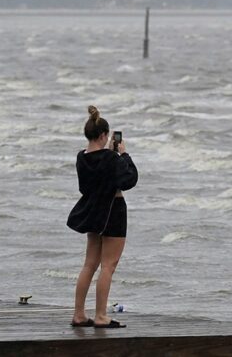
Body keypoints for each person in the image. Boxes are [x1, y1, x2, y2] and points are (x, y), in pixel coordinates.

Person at [67, 105, 138, 329]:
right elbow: (130, 179)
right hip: (113, 210)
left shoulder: (81, 157)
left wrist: (112, 155)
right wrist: (123, 154)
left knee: (90, 264)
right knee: (108, 265)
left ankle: (79, 314)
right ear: (104, 135)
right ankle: (100, 315)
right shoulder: (110, 158)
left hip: (93, 211)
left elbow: (84, 187)